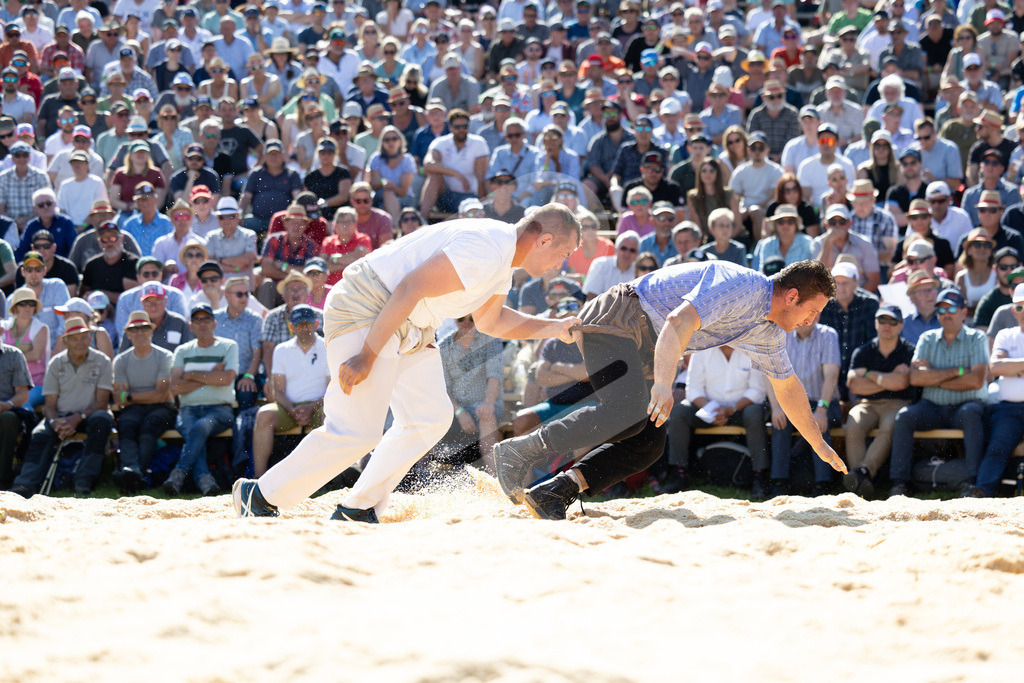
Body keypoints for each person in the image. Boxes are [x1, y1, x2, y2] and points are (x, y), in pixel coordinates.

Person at [232, 205, 582, 522]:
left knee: (430, 417)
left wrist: (554, 327)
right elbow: (409, 288)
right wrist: (367, 355)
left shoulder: (500, 258)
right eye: (563, 254)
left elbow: (491, 322)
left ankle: (359, 507)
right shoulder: (488, 247)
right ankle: (260, 495)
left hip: (409, 324)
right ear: (544, 240)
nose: (560, 265)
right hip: (368, 308)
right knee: (355, 430)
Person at [492, 259, 847, 520]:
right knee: (629, 411)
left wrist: (819, 444)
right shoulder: (742, 285)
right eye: (812, 311)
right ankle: (518, 451)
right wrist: (663, 384)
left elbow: (788, 387)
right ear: (792, 296)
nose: (811, 320)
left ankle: (556, 491)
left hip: (648, 344)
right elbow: (678, 321)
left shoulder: (768, 330)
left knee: (648, 443)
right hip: (619, 317)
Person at [889, 288, 989, 497]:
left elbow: (977, 380)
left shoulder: (977, 338)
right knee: (904, 417)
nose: (946, 314)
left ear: (963, 312)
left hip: (966, 405)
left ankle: (972, 482)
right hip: (932, 407)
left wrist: (934, 377)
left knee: (971, 414)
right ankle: (899, 484)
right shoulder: (927, 338)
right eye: (941, 310)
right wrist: (958, 371)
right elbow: (916, 378)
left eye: (951, 309)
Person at [8, 317, 114, 498]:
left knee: (102, 421)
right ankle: (24, 484)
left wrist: (77, 417)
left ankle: (83, 481)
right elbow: (49, 405)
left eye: (84, 337)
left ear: (90, 338)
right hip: (61, 416)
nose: (80, 342)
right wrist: (54, 422)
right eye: (75, 338)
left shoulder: (102, 361)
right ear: (66, 342)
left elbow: (102, 403)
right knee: (40, 434)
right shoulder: (55, 363)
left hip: (90, 414)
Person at [666, 343, 769, 497]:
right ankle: (679, 474)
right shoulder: (701, 349)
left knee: (755, 412)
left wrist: (731, 409)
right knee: (679, 411)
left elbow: (757, 391)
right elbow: (693, 390)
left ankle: (759, 476)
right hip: (708, 410)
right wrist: (711, 410)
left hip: (741, 409)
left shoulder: (751, 349)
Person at [164, 304, 238, 497]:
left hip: (220, 410)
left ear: (214, 323)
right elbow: (176, 387)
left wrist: (191, 375)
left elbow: (226, 379)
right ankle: (205, 480)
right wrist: (211, 374)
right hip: (188, 409)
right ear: (190, 326)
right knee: (194, 430)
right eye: (197, 320)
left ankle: (178, 475)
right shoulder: (182, 350)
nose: (202, 324)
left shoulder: (229, 346)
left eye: (206, 319)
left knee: (198, 428)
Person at [842, 304, 916, 498]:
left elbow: (902, 383)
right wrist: (889, 378)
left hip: (897, 403)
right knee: (853, 423)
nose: (887, 325)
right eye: (882, 320)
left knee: (890, 426)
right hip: (866, 404)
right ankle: (862, 479)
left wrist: (869, 375)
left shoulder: (909, 351)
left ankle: (862, 473)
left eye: (893, 321)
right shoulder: (863, 351)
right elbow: (853, 385)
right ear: (875, 323)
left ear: (901, 326)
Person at [767, 309, 842, 497]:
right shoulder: (781, 335)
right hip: (792, 401)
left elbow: (831, 376)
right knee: (780, 422)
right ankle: (779, 482)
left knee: (817, 423)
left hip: (824, 401)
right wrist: (776, 407)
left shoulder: (828, 335)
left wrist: (822, 409)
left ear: (817, 316)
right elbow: (769, 373)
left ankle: (823, 485)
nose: (801, 320)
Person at [251, 304, 328, 477]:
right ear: (292, 327)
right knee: (264, 415)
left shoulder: (327, 347)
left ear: (316, 324)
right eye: (300, 325)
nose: (305, 329)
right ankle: (258, 478)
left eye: (308, 324)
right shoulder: (281, 350)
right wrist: (292, 410)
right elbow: (278, 390)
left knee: (329, 415)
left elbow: (332, 388)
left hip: (319, 406)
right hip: (290, 407)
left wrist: (311, 408)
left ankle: (327, 476)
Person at [110, 310, 176, 494]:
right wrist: (139, 396)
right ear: (128, 334)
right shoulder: (121, 360)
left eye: (144, 328)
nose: (140, 333)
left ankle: (132, 473)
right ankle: (133, 472)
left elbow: (161, 396)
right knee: (126, 423)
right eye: (134, 329)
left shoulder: (165, 356)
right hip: (135, 409)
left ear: (152, 331)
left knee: (150, 424)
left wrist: (130, 396)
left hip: (163, 407)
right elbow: (118, 398)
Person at [973, 283, 1024, 496]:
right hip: (1009, 409)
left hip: (1010, 408)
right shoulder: (1005, 334)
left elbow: (1003, 366)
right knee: (997, 447)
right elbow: (995, 367)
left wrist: (1013, 366)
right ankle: (981, 493)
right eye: (1020, 307)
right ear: (1013, 311)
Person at [819, 261, 880, 401]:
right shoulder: (824, 305)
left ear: (856, 283)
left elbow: (873, 342)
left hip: (860, 373)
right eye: (837, 283)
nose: (840, 288)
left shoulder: (870, 304)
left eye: (845, 283)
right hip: (829, 374)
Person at [214, 276, 264, 411]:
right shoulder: (215, 318)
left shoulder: (255, 319)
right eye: (239, 294)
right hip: (220, 374)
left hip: (245, 373)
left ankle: (243, 424)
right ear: (227, 296)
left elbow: (257, 352)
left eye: (247, 294)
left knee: (246, 390)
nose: (244, 298)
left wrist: (249, 376)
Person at [4, 287, 49, 408]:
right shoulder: (4, 327)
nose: (28, 307)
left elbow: (36, 355)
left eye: (31, 303)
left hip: (35, 384)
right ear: (15, 307)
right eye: (23, 303)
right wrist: (25, 350)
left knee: (23, 404)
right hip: (8, 384)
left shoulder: (41, 328)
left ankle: (28, 420)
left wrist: (9, 355)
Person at [0, 336, 30, 488]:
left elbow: (23, 394)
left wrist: (7, 404)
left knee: (8, 418)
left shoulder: (14, 354)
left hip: (5, 411)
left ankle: (3, 480)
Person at [583, 230, 638, 300]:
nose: (627, 253)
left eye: (632, 250)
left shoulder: (640, 269)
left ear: (637, 254)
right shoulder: (600, 265)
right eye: (623, 248)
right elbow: (591, 296)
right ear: (616, 249)